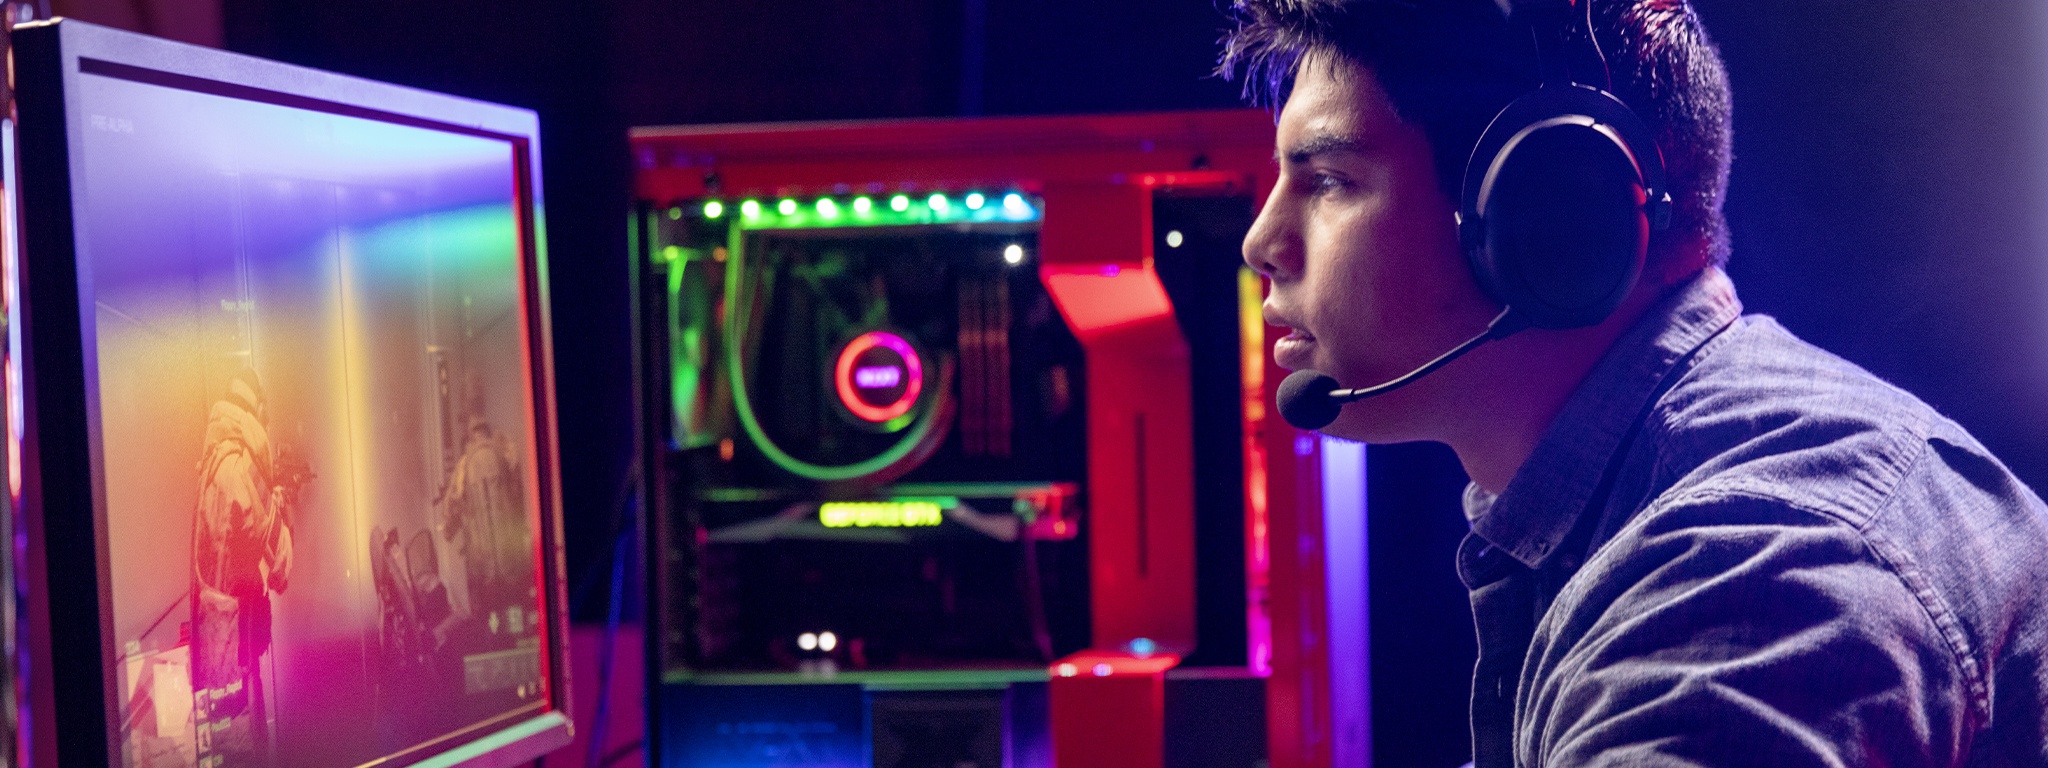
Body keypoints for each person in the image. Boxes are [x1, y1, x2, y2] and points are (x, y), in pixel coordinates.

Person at [1222, 1, 2048, 765]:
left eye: (1328, 179)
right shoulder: (1648, 499)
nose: (1263, 241)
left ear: (1553, 213)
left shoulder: (1752, 578)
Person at [191, 368, 296, 765]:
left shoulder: (215, 461)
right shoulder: (240, 469)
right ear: (256, 410)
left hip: (221, 643)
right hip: (235, 651)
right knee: (244, 753)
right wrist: (284, 509)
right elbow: (281, 567)